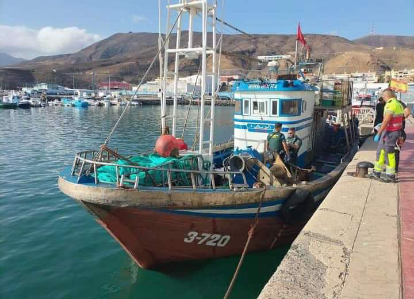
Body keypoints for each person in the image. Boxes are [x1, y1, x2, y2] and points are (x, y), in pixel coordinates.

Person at [372, 89, 405, 182]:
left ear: (386, 96)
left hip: (390, 133)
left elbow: (386, 120)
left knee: (389, 153)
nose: (383, 98)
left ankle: (390, 175)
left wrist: (378, 133)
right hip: (392, 132)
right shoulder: (398, 104)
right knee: (381, 151)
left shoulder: (390, 104)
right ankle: (376, 172)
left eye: (383, 96)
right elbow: (401, 117)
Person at [395, 99, 412, 172]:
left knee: (395, 151)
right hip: (400, 132)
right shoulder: (399, 103)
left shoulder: (397, 103)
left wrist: (401, 119)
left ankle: (393, 170)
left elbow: (407, 112)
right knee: (395, 151)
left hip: (399, 133)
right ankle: (393, 169)